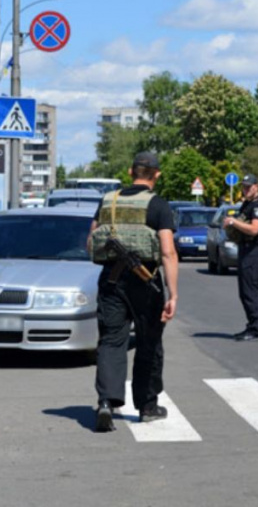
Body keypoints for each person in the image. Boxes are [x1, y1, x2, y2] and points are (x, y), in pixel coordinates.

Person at [89, 152, 179, 433]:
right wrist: (172, 294)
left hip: (111, 281)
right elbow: (167, 251)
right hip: (146, 281)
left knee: (111, 341)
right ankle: (147, 406)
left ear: (131, 172)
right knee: (148, 342)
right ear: (156, 174)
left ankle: (106, 402)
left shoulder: (108, 201)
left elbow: (91, 241)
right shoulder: (158, 205)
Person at [223, 174, 258, 342]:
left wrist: (233, 223)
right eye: (244, 187)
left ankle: (255, 330)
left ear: (257, 187)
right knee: (244, 291)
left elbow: (254, 229)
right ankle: (251, 326)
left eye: (249, 187)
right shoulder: (247, 204)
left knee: (250, 291)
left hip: (255, 250)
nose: (246, 189)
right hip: (246, 249)